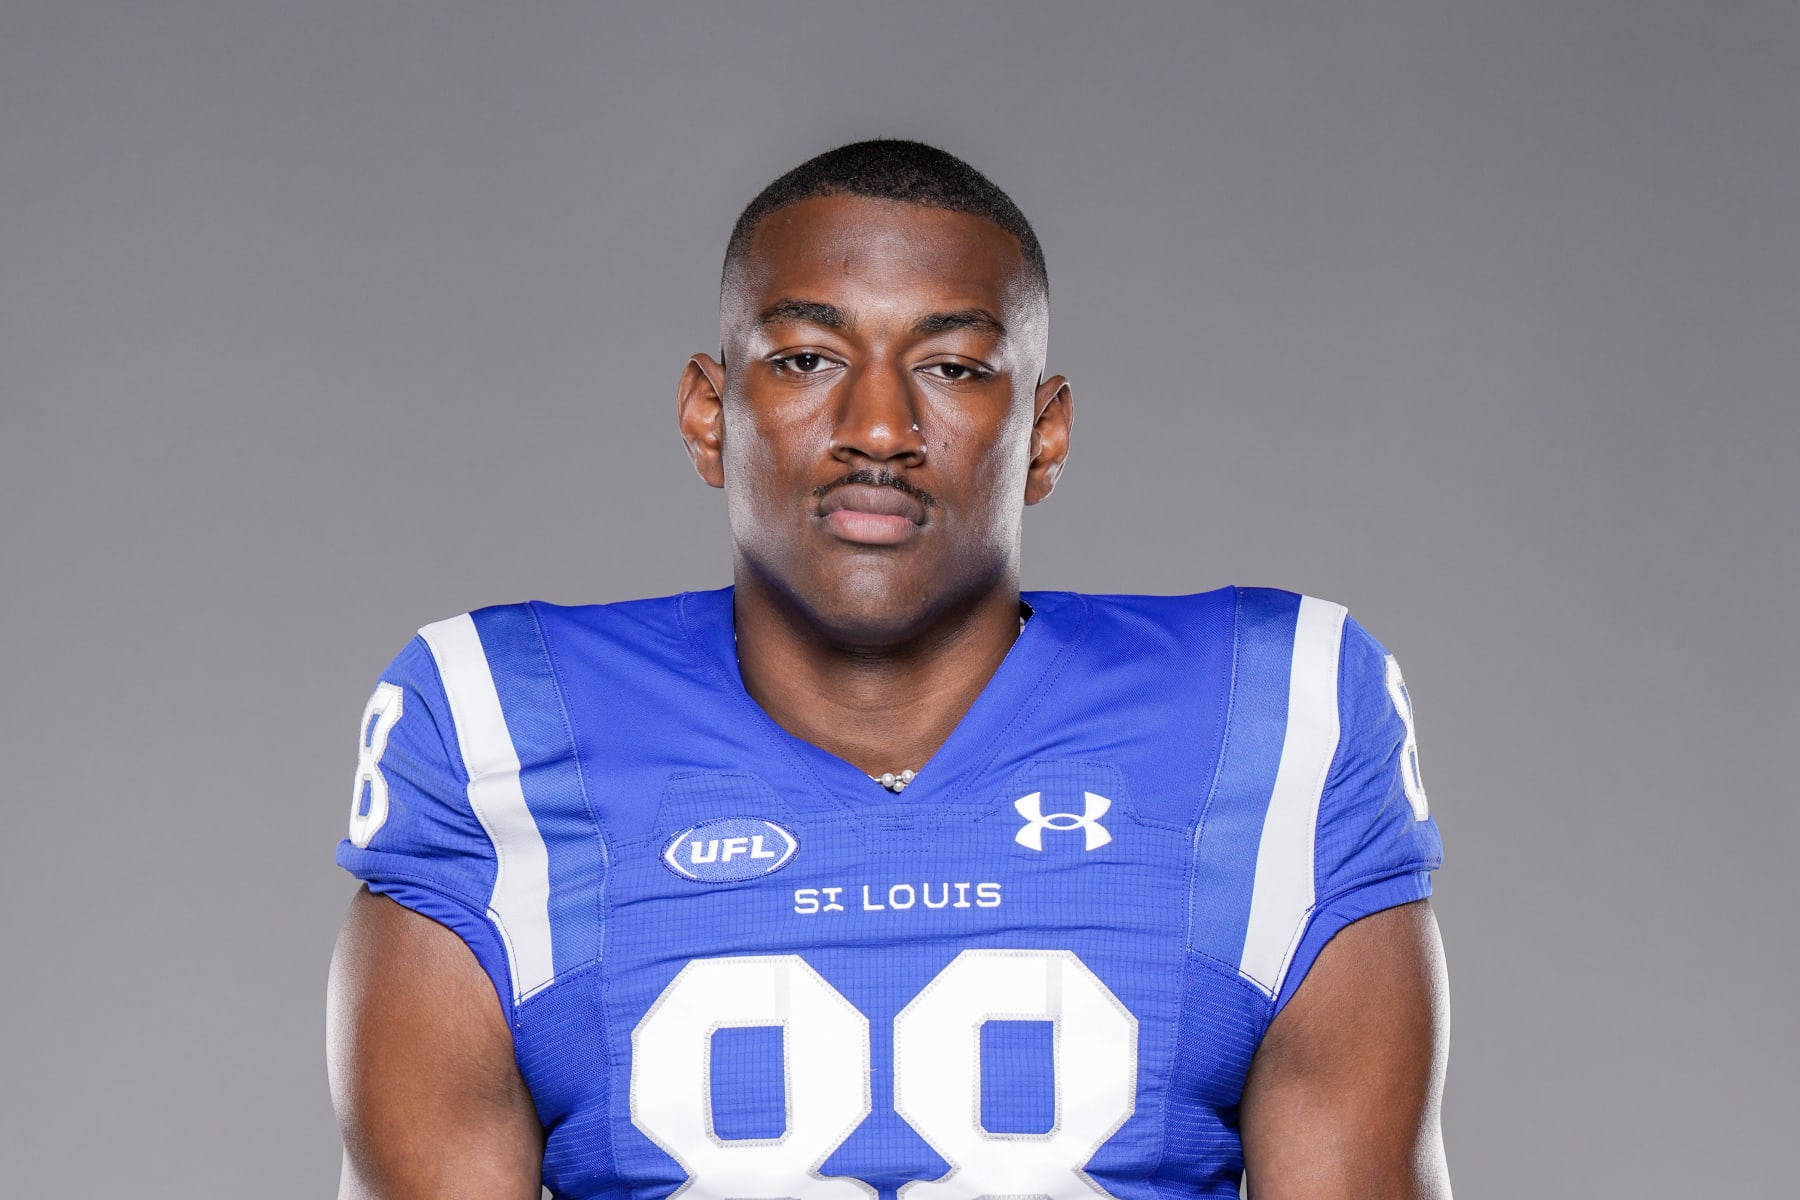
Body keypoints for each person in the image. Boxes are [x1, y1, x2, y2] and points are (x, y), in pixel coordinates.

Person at [327, 139, 1450, 1200]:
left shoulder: (1273, 717)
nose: (877, 426)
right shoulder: (496, 729)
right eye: (808, 359)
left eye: (953, 365)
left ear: (1044, 436)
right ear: (709, 416)